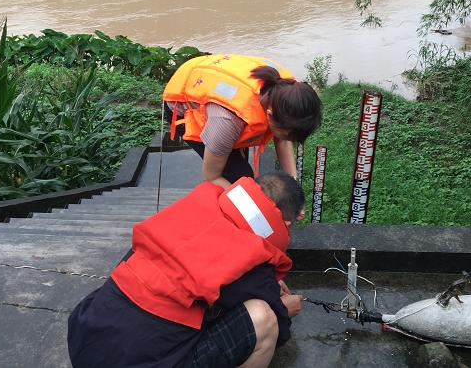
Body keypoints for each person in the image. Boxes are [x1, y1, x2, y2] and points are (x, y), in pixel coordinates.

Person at [67, 172, 305, 368]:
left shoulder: (194, 205)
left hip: (85, 340)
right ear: (285, 224)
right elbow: (282, 332)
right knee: (265, 318)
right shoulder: (256, 259)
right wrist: (284, 308)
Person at [163, 54, 322, 189]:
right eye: (287, 135)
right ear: (270, 114)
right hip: (184, 105)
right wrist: (256, 203)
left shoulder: (287, 91)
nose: (287, 140)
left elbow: (283, 140)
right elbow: (211, 177)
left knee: (239, 169)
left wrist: (293, 183)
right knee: (240, 178)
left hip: (213, 79)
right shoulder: (227, 121)